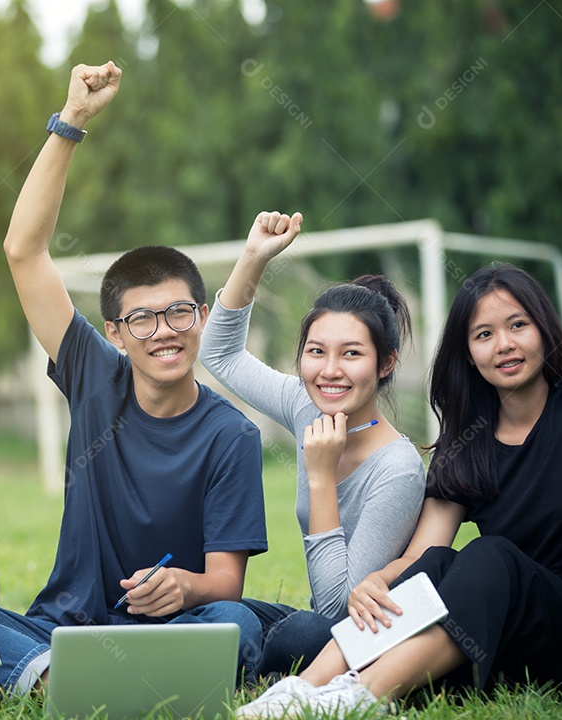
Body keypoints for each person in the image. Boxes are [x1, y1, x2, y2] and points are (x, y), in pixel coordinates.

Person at [235, 198, 562, 717]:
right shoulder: (467, 446)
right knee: (441, 564)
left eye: (518, 326)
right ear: (468, 353)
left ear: (545, 330)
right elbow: (423, 559)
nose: (504, 345)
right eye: (484, 335)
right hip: (522, 637)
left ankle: (363, 696)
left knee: (493, 556)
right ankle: (297, 695)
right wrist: (379, 580)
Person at [0, 60, 267, 694]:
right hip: (64, 629)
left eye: (179, 312)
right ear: (114, 332)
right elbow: (24, 249)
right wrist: (71, 120)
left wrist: (184, 585)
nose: (163, 331)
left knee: (238, 625)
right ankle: (50, 674)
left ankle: (43, 682)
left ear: (203, 316)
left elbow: (226, 583)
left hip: (172, 623)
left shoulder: (231, 434)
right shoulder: (93, 374)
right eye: (142, 319)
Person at [199, 210, 425, 675]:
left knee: (304, 633)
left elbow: (337, 612)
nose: (329, 370)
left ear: (386, 364)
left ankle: (253, 663)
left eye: (352, 354)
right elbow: (219, 353)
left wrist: (322, 478)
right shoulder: (306, 405)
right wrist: (254, 257)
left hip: (355, 638)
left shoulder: (397, 468)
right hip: (313, 623)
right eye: (316, 351)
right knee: (225, 618)